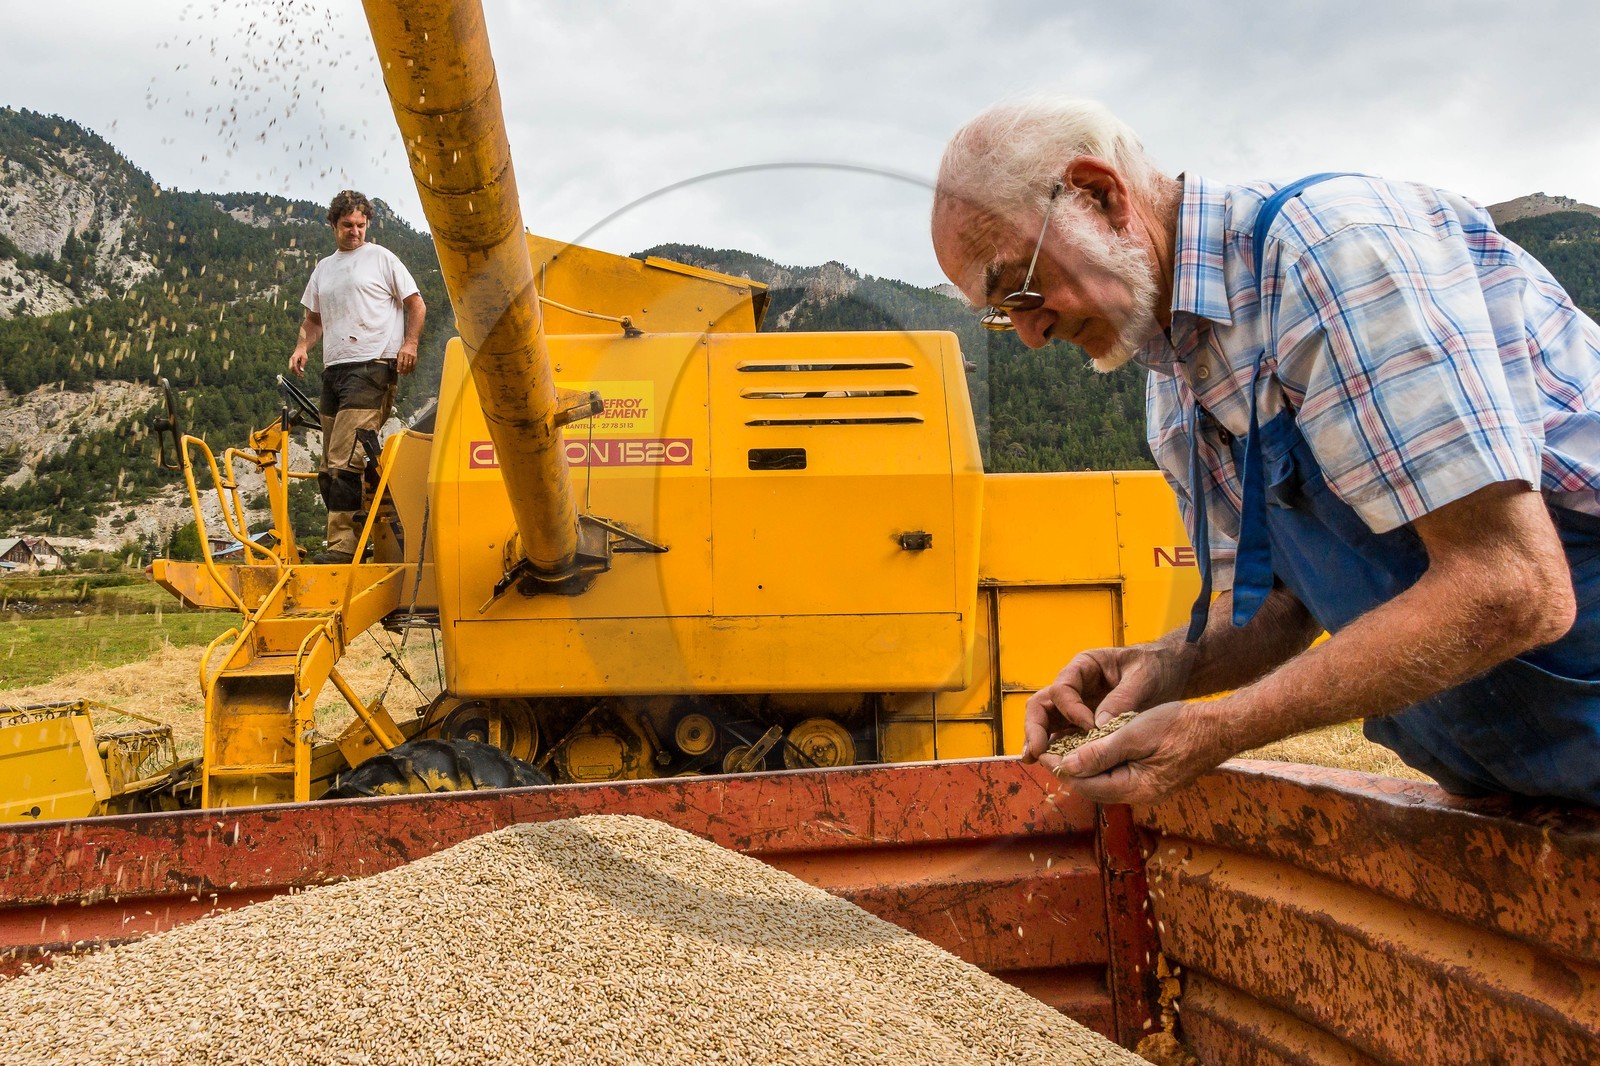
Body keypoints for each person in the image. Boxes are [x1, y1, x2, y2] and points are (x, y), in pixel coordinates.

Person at [931, 96, 1600, 807]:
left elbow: (1511, 585)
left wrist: (1220, 727)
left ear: (1100, 196)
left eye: (1021, 289)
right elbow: (1288, 602)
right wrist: (1163, 668)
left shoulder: (1329, 256)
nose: (1030, 334)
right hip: (1529, 794)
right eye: (1001, 314)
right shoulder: (1174, 387)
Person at [289, 190, 425, 564]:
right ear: (333, 225)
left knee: (342, 460)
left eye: (361, 225)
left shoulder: (382, 259)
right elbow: (313, 320)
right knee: (326, 469)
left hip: (374, 367)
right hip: (334, 370)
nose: (355, 232)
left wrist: (409, 343)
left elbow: (416, 303)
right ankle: (364, 530)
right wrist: (302, 347)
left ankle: (343, 549)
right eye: (347, 225)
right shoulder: (323, 269)